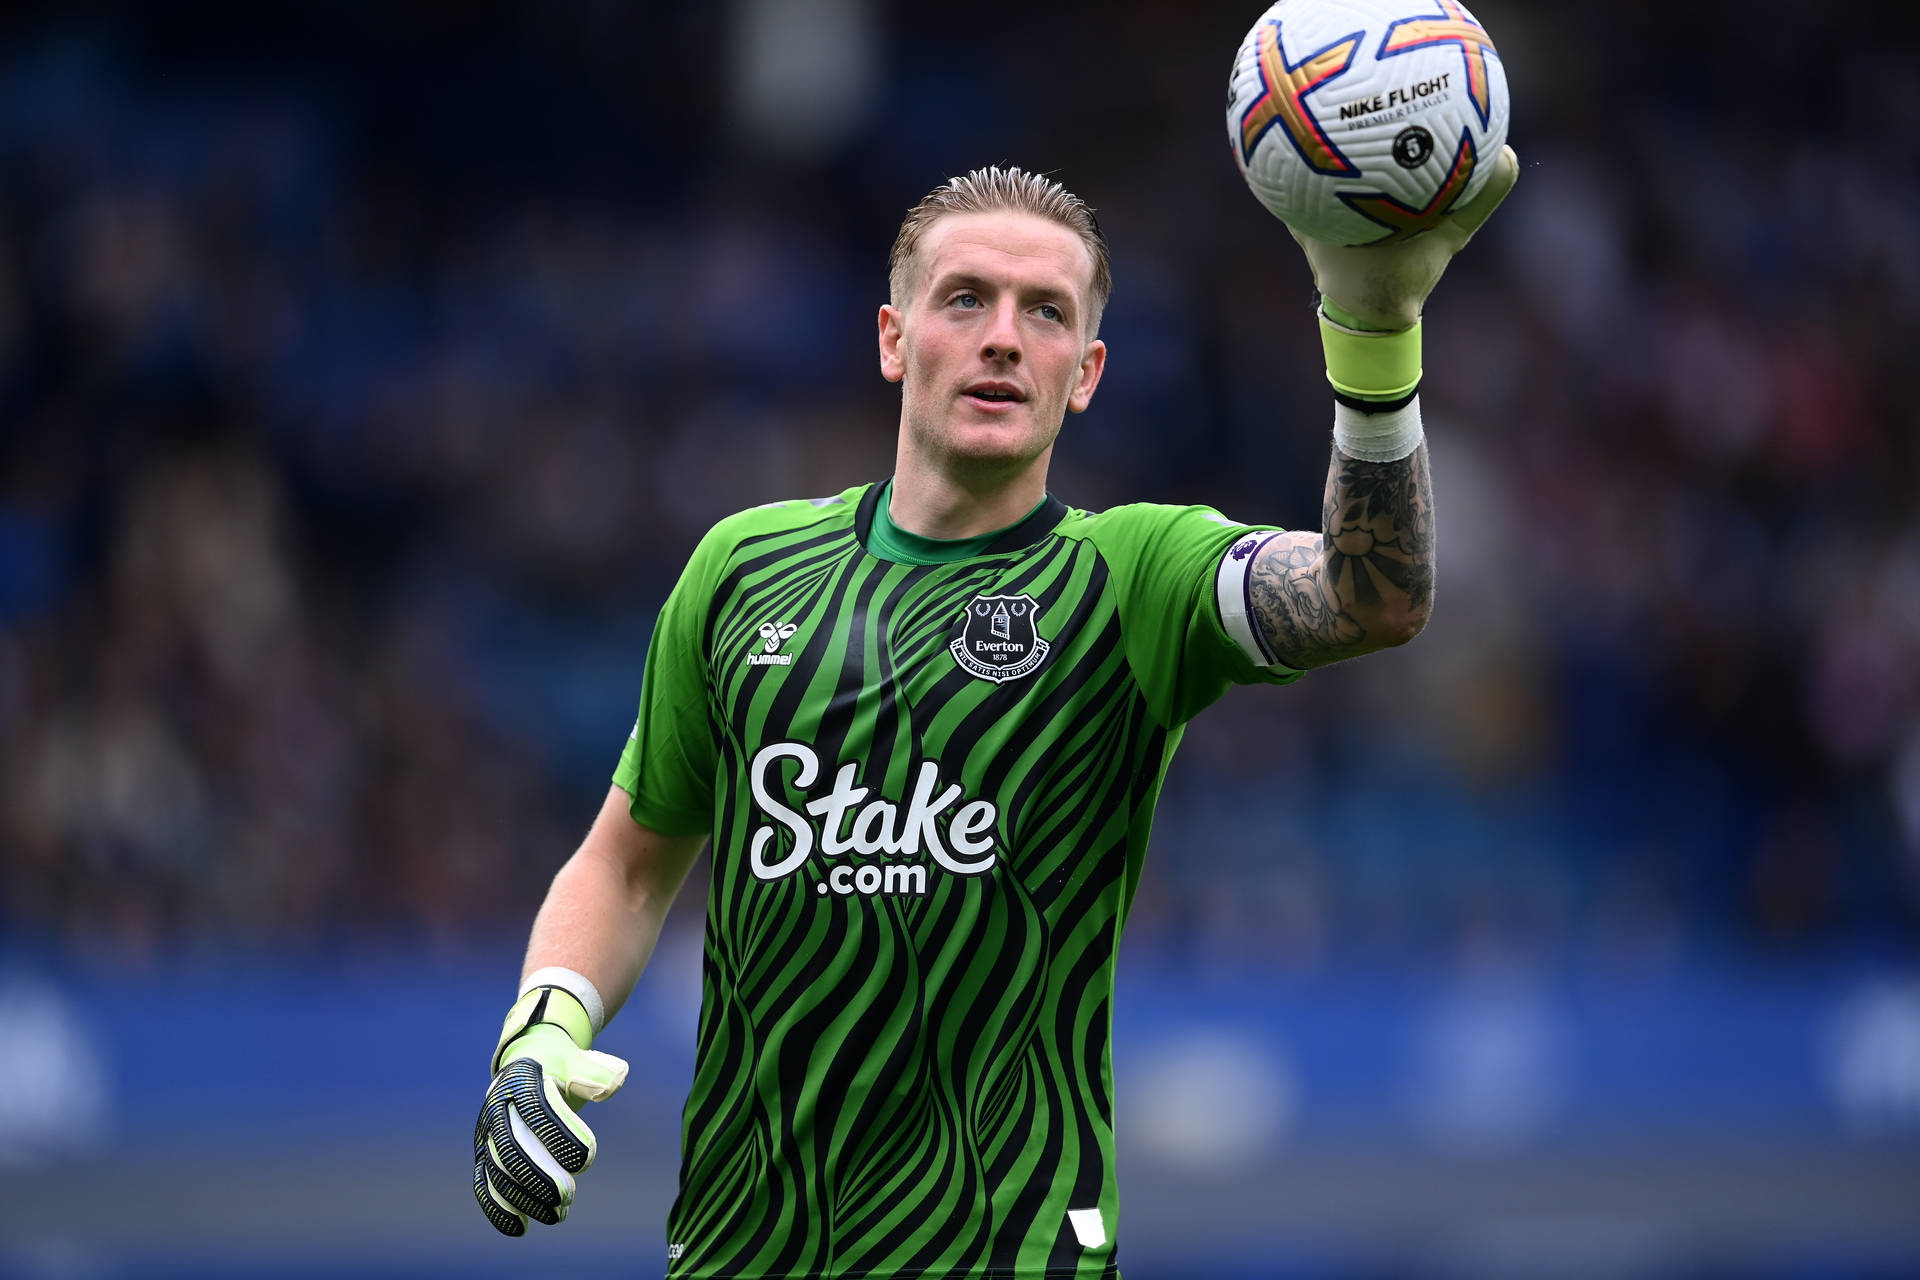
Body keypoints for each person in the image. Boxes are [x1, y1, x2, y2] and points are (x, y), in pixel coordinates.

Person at [472, 156, 1517, 1276]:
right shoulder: (742, 568)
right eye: (966, 297)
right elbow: (627, 863)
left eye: (1047, 312)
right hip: (742, 1252)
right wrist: (542, 1029)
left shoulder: (1136, 576)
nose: (1004, 336)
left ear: (1087, 372)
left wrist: (1374, 343)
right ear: (893, 336)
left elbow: (1375, 595)